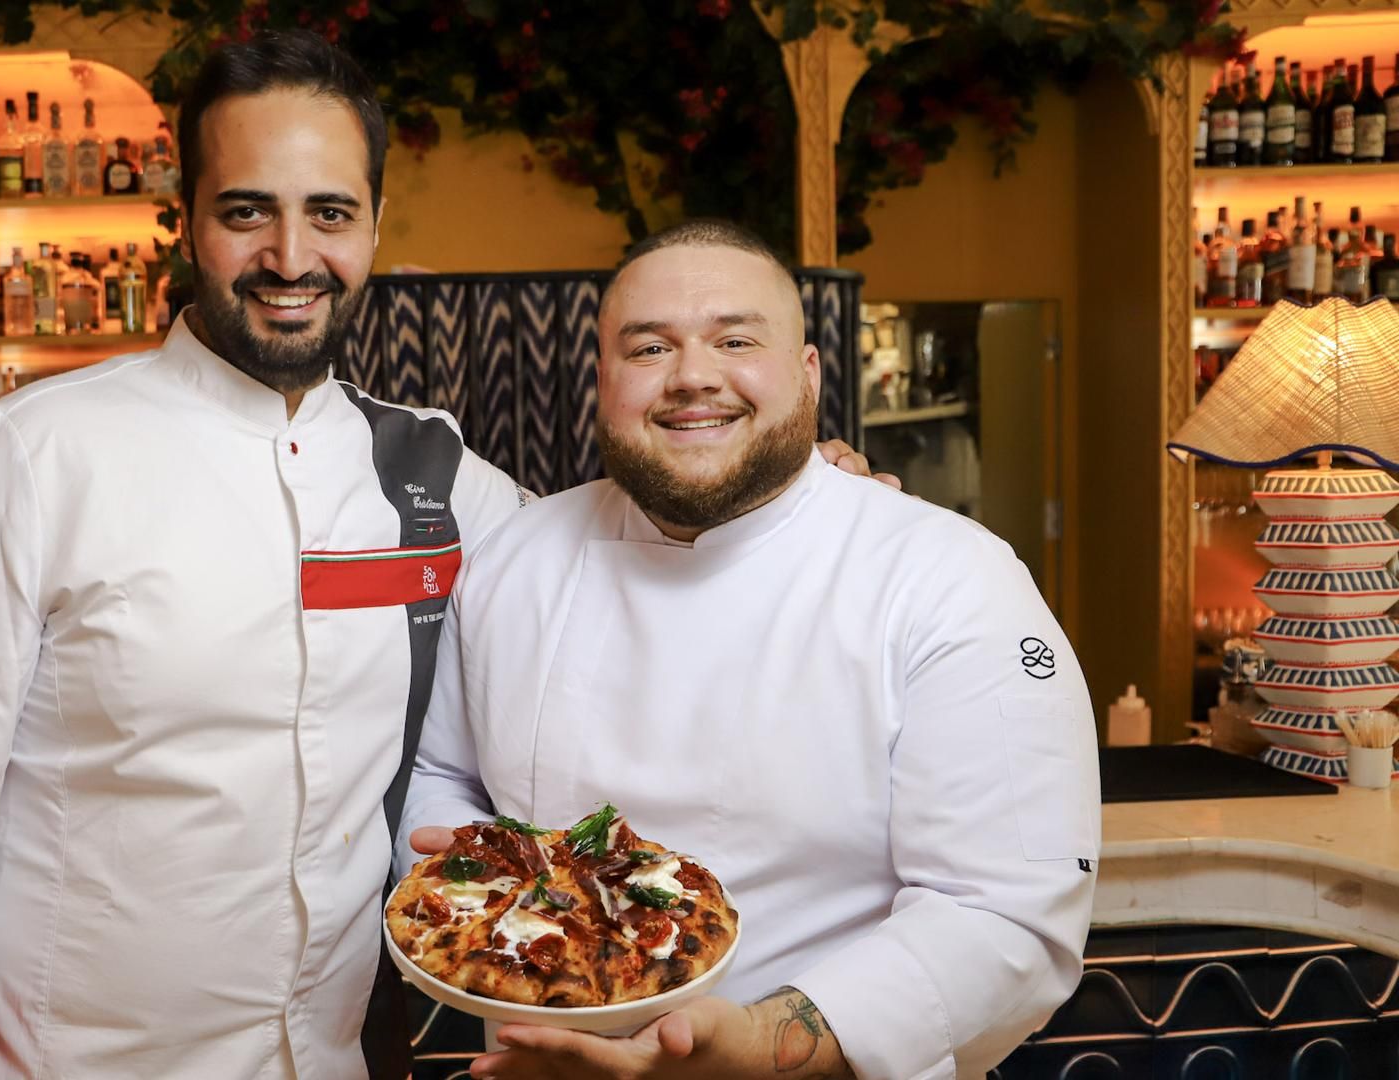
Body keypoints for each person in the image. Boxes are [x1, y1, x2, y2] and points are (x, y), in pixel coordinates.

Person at [0, 33, 885, 1079]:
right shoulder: (31, 455)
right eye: (246, 212)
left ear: (373, 225)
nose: (291, 258)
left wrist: (796, 491)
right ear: (184, 221)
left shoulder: (436, 474)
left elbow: (626, 545)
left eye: (329, 214)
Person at [400, 220, 1099, 1080]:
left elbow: (1005, 914)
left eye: (736, 339)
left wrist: (761, 1049)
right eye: (649, 347)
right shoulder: (514, 557)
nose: (694, 376)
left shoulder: (952, 578)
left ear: (808, 372)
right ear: (602, 381)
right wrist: (492, 913)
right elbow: (441, 776)